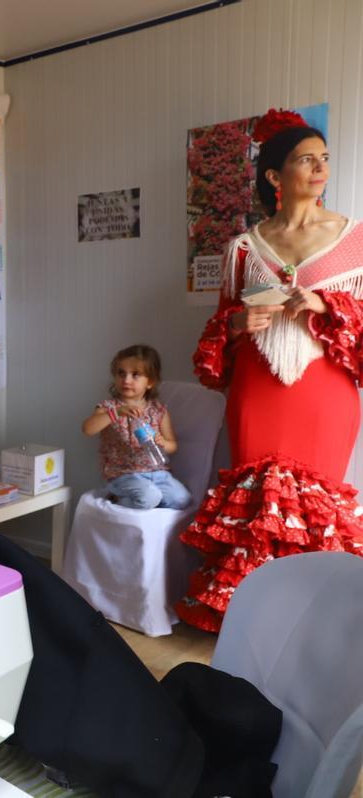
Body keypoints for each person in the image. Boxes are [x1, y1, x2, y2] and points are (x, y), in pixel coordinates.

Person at [179, 108, 363, 632]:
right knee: (255, 505)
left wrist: (328, 306)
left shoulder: (358, 239)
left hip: (325, 392)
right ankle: (256, 627)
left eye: (324, 159)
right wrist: (237, 321)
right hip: (257, 388)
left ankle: (319, 628)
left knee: (317, 507)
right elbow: (220, 329)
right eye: (307, 159)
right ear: (274, 174)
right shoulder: (243, 247)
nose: (320, 168)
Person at [81, 345, 189, 510]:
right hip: (123, 475)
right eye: (121, 373)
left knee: (182, 499)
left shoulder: (159, 410)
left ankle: (146, 502)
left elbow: (172, 445)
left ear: (150, 382)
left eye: (135, 375)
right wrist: (116, 413)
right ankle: (117, 498)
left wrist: (163, 443)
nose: (126, 380)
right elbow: (88, 429)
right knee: (149, 497)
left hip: (158, 473)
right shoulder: (109, 407)